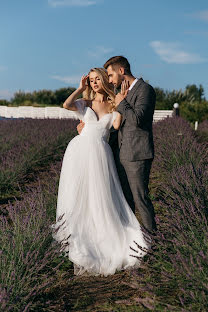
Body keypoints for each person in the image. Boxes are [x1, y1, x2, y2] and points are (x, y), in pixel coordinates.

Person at [51, 68, 150, 277]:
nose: (94, 83)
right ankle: (77, 237)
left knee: (101, 198)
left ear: (104, 80)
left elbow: (115, 124)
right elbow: (66, 105)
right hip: (78, 152)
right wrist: (80, 88)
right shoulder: (85, 103)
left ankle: (104, 240)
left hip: (100, 154)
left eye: (98, 79)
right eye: (92, 80)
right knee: (78, 195)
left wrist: (121, 100)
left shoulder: (113, 102)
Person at [78, 56, 157, 234]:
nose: (110, 80)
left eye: (111, 75)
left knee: (140, 199)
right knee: (124, 201)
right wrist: (90, 129)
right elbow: (116, 125)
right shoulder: (120, 93)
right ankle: (131, 241)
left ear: (121, 71)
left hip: (137, 154)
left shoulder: (146, 90)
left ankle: (154, 243)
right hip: (119, 154)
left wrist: (122, 102)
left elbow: (137, 119)